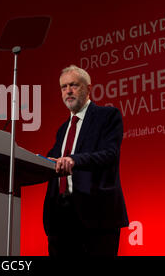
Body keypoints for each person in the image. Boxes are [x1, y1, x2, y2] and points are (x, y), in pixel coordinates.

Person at [43, 65, 128, 256]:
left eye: (74, 85)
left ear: (88, 88)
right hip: (60, 218)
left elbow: (110, 154)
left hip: (96, 215)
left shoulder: (107, 116)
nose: (68, 91)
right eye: (63, 87)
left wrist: (74, 160)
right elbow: (54, 161)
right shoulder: (62, 129)